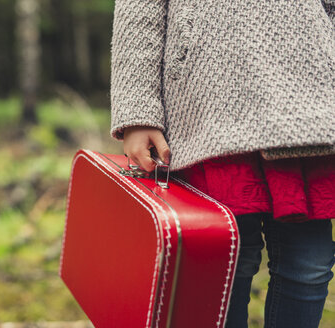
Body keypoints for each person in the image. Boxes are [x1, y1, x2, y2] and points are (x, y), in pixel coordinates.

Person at [110, 1, 335, 327]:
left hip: (309, 98)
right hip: (207, 101)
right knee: (228, 262)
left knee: (309, 265)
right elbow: (139, 11)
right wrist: (137, 113)